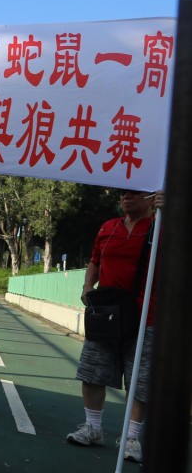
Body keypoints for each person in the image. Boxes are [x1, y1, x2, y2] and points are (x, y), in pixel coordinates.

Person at [65, 187, 164, 464]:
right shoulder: (108, 228)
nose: (126, 198)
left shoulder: (160, 227)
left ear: (150, 197)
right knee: (93, 372)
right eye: (123, 193)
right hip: (106, 316)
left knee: (140, 382)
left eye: (134, 193)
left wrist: (170, 213)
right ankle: (93, 428)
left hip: (147, 316)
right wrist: (87, 285)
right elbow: (95, 261)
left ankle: (131, 438)